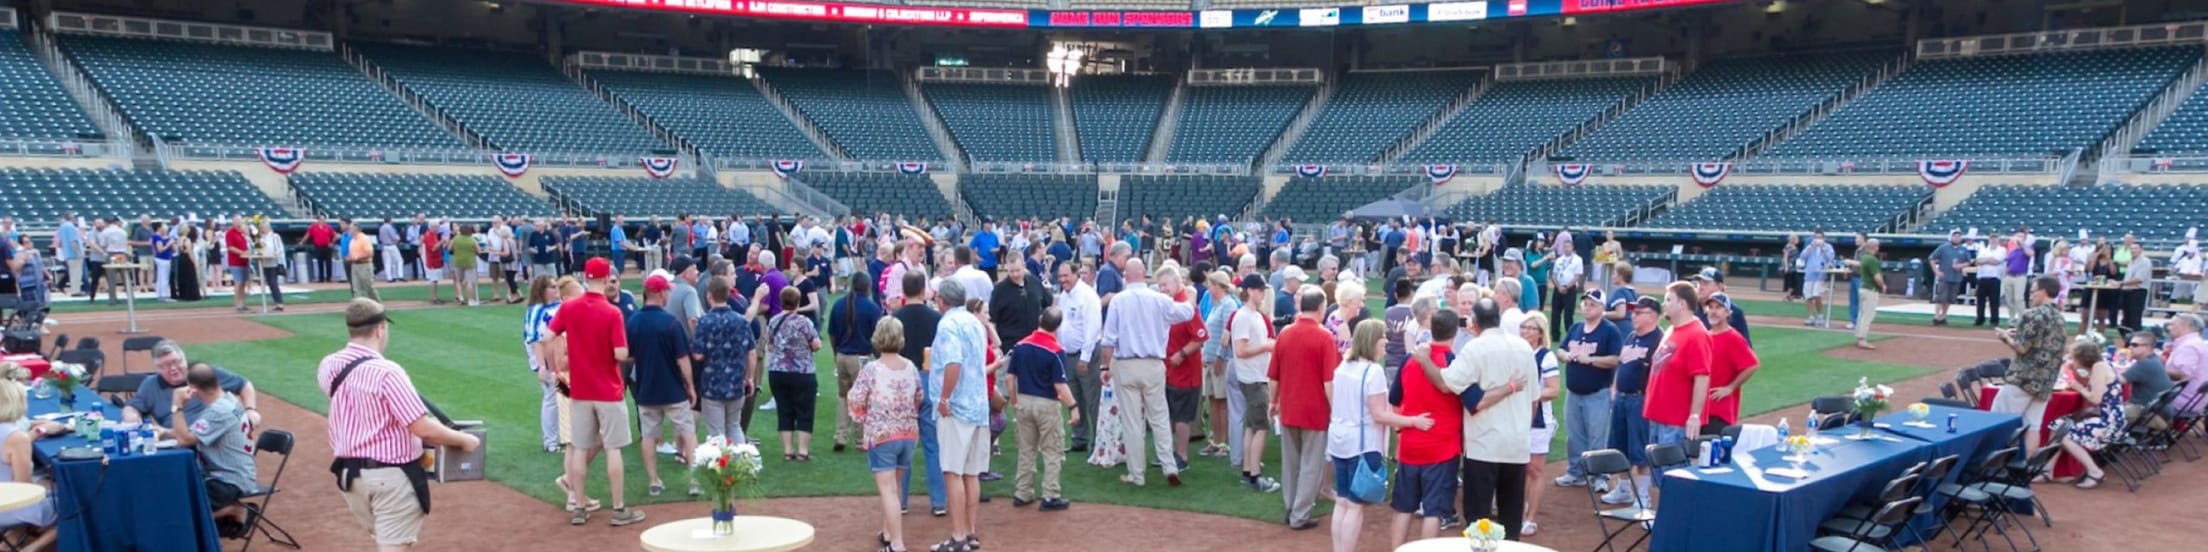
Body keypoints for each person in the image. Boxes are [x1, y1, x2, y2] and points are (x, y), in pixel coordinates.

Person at [319, 299, 482, 550]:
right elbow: (422, 427)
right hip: (391, 478)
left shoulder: (329, 365)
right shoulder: (387, 372)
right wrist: (465, 440)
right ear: (379, 329)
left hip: (350, 479)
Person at [549, 258, 646, 527]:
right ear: (606, 279)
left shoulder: (569, 307)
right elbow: (620, 353)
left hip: (580, 389)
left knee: (580, 448)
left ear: (585, 277)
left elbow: (548, 337)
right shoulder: (612, 312)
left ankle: (578, 506)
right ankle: (619, 508)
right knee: (613, 447)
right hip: (608, 388)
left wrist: (554, 367)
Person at [1431, 298, 1536, 540]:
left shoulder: (1475, 348)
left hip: (1484, 445)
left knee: (1478, 515)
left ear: (1474, 323)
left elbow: (1446, 383)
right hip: (1516, 444)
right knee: (1511, 513)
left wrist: (1423, 359)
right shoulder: (1524, 347)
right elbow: (1534, 400)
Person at [1329, 320, 1433, 552]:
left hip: (1339, 441)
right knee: (1355, 506)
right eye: (1382, 337)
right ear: (1371, 341)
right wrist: (1413, 421)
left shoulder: (1343, 366)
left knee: (1343, 501)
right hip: (1362, 445)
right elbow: (1379, 415)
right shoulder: (1372, 371)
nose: (1386, 341)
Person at [1095, 258, 1194, 488]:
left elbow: (1108, 340)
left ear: (1126, 276)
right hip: (1153, 364)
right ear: (1144, 274)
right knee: (1159, 417)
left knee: (1132, 422)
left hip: (1127, 364)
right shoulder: (1159, 299)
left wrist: (1104, 366)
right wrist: (1190, 295)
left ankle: (1137, 474)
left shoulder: (1119, 301)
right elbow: (1187, 312)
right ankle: (1169, 466)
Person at [849, 317, 924, 552]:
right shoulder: (910, 366)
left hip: (883, 435)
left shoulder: (872, 369)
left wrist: (864, 418)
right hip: (908, 434)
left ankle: (897, 543)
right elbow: (919, 397)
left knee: (888, 490)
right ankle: (888, 532)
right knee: (897, 487)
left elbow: (855, 399)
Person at [1271, 286, 1342, 530]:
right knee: (1311, 464)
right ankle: (1300, 515)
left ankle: (1290, 508)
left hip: (1288, 408)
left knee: (1290, 463)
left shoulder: (1285, 333)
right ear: (1321, 308)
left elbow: (1273, 376)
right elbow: (1328, 382)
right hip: (1315, 411)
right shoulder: (1324, 337)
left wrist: (1273, 402)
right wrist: (1337, 409)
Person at [1390, 310, 1462, 549]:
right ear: (1455, 332)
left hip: (1410, 445)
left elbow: (1395, 399)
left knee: (1403, 507)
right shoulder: (1455, 363)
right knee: (1433, 511)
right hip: (1442, 449)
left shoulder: (1408, 360)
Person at [930, 281, 991, 552]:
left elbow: (953, 363)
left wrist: (944, 398)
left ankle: (957, 537)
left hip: (957, 409)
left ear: (943, 300)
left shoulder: (948, 325)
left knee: (953, 472)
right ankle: (970, 532)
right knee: (971, 473)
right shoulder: (974, 322)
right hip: (978, 406)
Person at [165, 363, 257, 530]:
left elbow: (185, 440)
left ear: (192, 389)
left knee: (176, 507)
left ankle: (234, 510)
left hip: (228, 482)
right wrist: (163, 432)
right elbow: (192, 433)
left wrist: (177, 404)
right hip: (228, 476)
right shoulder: (228, 400)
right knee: (174, 489)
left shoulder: (218, 411)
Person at [1006, 307, 1080, 511]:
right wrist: (1073, 406)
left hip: (1023, 401)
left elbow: (1010, 378)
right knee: (1052, 450)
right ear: (1058, 326)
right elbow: (1060, 385)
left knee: (1026, 449)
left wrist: (1014, 401)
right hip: (1046, 404)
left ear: (1040, 320)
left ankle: (1023, 492)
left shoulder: (1020, 346)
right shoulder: (1055, 351)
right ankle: (1050, 495)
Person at [630, 274, 697, 497]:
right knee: (688, 432)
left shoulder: (634, 321)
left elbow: (628, 357)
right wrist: (690, 385)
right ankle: (694, 480)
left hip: (647, 390)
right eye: (667, 291)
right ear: (659, 294)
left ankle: (653, 481)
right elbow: (682, 359)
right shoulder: (670, 322)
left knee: (649, 436)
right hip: (673, 390)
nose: (669, 294)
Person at [890, 272, 948, 517]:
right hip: (927, 380)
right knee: (932, 443)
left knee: (903, 444)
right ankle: (939, 502)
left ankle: (901, 501)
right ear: (924, 291)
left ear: (903, 291)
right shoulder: (936, 318)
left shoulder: (895, 319)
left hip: (902, 381)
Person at [1992, 276, 2066, 455]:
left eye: (2033, 292)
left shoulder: (2032, 314)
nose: (2030, 296)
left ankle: (1990, 465)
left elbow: (2023, 348)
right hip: (2045, 381)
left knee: (1997, 422)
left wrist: (2006, 338)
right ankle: (2025, 467)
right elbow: (2043, 339)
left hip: (2023, 378)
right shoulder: (2059, 317)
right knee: (2033, 426)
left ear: (2043, 292)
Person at [1554, 289, 1620, 489]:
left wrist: (1590, 360)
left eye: (1592, 304)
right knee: (1574, 436)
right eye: (1585, 303)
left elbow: (1615, 359)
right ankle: (1576, 472)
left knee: (1596, 436)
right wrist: (1565, 356)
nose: (1587, 307)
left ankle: (1599, 476)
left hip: (1597, 393)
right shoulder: (1576, 328)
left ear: (1602, 308)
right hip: (1573, 393)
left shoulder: (1609, 330)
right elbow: (1561, 349)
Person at [1604, 296, 1665, 507]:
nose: (1633, 315)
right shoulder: (1631, 336)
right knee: (1620, 447)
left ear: (1653, 316)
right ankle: (1623, 489)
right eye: (1633, 312)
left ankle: (1643, 495)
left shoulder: (1659, 340)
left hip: (1641, 400)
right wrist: (1615, 389)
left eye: (1639, 312)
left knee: (1640, 449)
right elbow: (1622, 366)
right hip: (1622, 398)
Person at [123, 340, 261, 428]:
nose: (172, 369)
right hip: (174, 444)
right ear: (156, 369)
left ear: (184, 359)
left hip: (208, 439)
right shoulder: (150, 385)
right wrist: (131, 416)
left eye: (175, 362)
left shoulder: (203, 374)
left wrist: (250, 409)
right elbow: (132, 407)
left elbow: (244, 384)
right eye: (164, 366)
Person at [1230, 274, 1282, 493]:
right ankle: (1255, 476)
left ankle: (1248, 471)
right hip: (1253, 378)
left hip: (1256, 376)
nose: (1263, 293)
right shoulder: (1244, 317)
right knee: (1261, 427)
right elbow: (1240, 351)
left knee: (1252, 426)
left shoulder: (1255, 316)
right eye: (1260, 290)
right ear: (1250, 291)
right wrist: (1266, 347)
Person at [0, 377, 63, 551]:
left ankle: (7, 544)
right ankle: (32, 548)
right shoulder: (16, 438)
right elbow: (24, 491)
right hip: (7, 505)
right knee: (77, 501)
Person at [764, 286, 823, 461]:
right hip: (802, 371)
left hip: (778, 371)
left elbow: (770, 345)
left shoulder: (774, 321)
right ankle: (803, 451)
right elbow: (816, 344)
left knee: (784, 410)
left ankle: (788, 451)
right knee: (805, 410)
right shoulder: (804, 322)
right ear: (798, 302)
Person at [2057, 340, 2124, 489]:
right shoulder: (2100, 366)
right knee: (2058, 425)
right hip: (2110, 417)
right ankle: (2048, 469)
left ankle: (2095, 472)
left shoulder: (2100, 368)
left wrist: (2079, 387)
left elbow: (2095, 399)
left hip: (2109, 422)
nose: (2072, 361)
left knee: (2065, 436)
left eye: (2074, 358)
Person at [830, 273, 886, 453]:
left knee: (843, 397)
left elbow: (832, 333)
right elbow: (878, 336)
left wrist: (836, 352)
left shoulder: (839, 305)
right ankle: (861, 439)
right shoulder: (871, 308)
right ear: (868, 286)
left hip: (842, 356)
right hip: (861, 357)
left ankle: (841, 435)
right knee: (863, 400)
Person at [1517, 312, 1560, 536]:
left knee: (1534, 469)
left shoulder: (1546, 357)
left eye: (1531, 328)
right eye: (1523, 326)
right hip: (1516, 418)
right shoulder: (1516, 353)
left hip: (1539, 421)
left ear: (1540, 333)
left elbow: (1553, 390)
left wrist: (1529, 396)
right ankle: (1519, 509)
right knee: (1520, 467)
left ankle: (1531, 517)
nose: (1525, 331)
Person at [1161, 267, 1206, 471]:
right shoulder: (1166, 304)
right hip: (1168, 371)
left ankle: (1182, 456)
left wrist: (1182, 354)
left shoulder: (1186, 307)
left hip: (1186, 373)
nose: (1163, 289)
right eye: (1160, 285)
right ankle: (1169, 453)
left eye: (1166, 285)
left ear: (1177, 284)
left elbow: (1201, 336)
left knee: (1181, 417)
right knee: (1169, 414)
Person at [1057, 261, 1103, 452]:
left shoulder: (1088, 296)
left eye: (1066, 276)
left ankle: (1098, 441)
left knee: (1092, 399)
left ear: (1076, 274)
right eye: (1060, 277)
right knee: (1074, 398)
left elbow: (1092, 329)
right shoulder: (1063, 297)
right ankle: (1079, 438)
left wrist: (1085, 357)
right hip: (1068, 354)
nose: (1062, 280)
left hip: (1087, 355)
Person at [525, 276, 572, 453]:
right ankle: (550, 441)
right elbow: (534, 339)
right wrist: (542, 367)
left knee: (565, 396)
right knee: (552, 397)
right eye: (551, 287)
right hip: (547, 361)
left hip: (561, 357)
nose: (555, 289)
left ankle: (564, 437)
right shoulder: (536, 310)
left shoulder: (559, 306)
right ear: (542, 290)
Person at [1702, 293, 1760, 431]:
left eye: (1719, 308)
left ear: (1728, 313)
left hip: (1719, 410)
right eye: (1711, 307)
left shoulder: (1733, 338)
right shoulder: (1705, 336)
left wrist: (1730, 387)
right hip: (1701, 409)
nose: (1714, 311)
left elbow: (1752, 365)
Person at [2118, 333, 2173, 430]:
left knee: (2103, 413)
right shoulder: (2153, 359)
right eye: (2129, 344)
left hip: (2150, 414)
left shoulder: (2145, 364)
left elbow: (2118, 381)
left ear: (2147, 347)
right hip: (2159, 412)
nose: (2130, 347)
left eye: (2135, 345)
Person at [1927, 230, 1970, 326]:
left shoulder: (1963, 249)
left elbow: (1968, 261)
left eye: (1958, 237)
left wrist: (1960, 266)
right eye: (1955, 236)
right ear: (1951, 237)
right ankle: (1936, 316)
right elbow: (1931, 258)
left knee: (1950, 299)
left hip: (1956, 277)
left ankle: (1943, 316)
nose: (1956, 238)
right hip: (1944, 276)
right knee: (1940, 298)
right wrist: (1936, 271)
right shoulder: (1944, 247)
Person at [1547, 238, 1583, 343]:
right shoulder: (1559, 260)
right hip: (1558, 288)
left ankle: (1570, 335)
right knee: (1555, 313)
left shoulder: (1577, 260)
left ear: (1572, 247)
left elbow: (1577, 276)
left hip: (1570, 289)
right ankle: (1555, 336)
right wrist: (1559, 287)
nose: (1566, 249)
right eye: (1565, 247)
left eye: (1568, 246)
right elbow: (1553, 275)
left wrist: (1567, 287)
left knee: (1568, 314)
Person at [1853, 239, 1885, 349]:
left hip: (1863, 288)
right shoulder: (1872, 259)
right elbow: (1877, 276)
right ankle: (1862, 339)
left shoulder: (1864, 257)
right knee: (1867, 315)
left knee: (1861, 314)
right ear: (1875, 247)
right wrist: (1882, 286)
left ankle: (1859, 336)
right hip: (1870, 289)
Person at [1800, 230, 1835, 326]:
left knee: (1817, 295)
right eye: (1816, 237)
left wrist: (1823, 247)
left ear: (1823, 238)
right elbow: (1802, 256)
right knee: (1808, 296)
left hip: (1820, 275)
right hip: (1809, 274)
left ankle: (1820, 316)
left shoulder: (1828, 247)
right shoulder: (1810, 247)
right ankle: (1811, 317)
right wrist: (1811, 247)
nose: (1817, 239)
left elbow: (1831, 257)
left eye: (1819, 237)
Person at [1972, 236, 2007, 327]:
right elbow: (1978, 261)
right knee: (1980, 300)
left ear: (1998, 240)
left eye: (1995, 239)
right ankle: (1980, 319)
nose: (1994, 240)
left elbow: (1996, 261)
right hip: (1982, 277)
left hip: (1994, 278)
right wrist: (1988, 259)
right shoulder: (1983, 249)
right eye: (1992, 239)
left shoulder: (2002, 250)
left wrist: (1985, 260)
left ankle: (1994, 320)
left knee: (1994, 301)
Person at [223, 215, 253, 313]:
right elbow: (230, 247)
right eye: (237, 220)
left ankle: (242, 303)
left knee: (243, 283)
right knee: (238, 282)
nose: (239, 222)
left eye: (240, 220)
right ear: (233, 221)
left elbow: (247, 244)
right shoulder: (230, 233)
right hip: (235, 261)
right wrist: (242, 252)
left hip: (244, 261)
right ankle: (237, 305)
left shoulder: (242, 233)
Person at [348, 221, 380, 301]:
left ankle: (378, 305)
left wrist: (358, 257)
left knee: (369, 287)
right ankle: (358, 307)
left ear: (356, 229)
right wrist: (350, 257)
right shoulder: (352, 240)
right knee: (356, 289)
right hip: (354, 266)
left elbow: (370, 253)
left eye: (350, 228)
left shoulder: (364, 239)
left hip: (364, 265)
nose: (349, 230)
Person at [450, 225, 480, 306]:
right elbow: (479, 251)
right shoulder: (472, 240)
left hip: (458, 261)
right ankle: (470, 300)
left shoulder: (456, 238)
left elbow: (449, 248)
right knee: (469, 281)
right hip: (469, 262)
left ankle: (460, 297)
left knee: (458, 280)